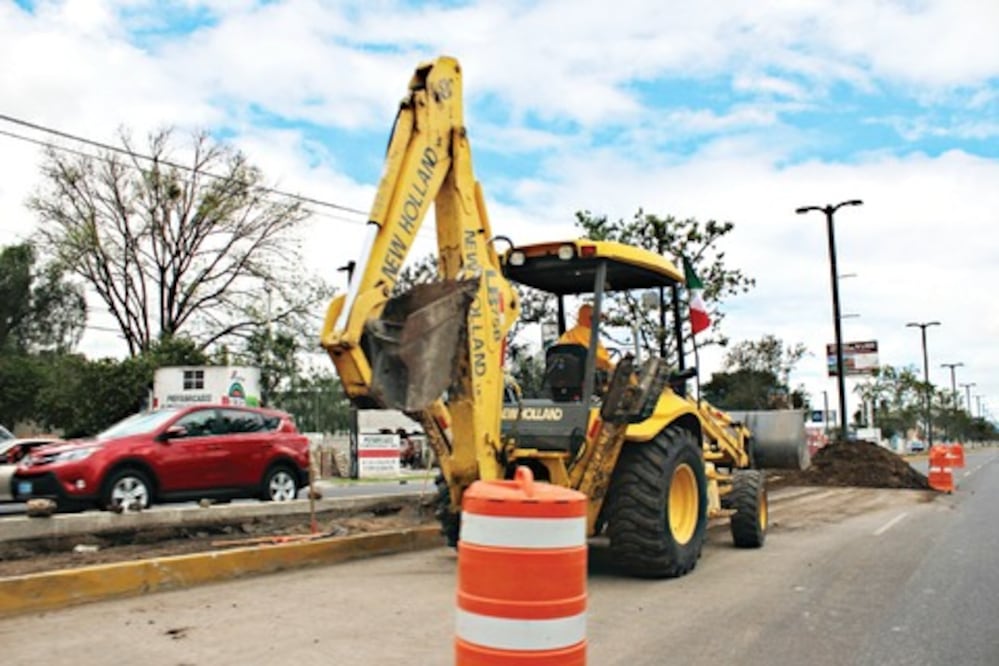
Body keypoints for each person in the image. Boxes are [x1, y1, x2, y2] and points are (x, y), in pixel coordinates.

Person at [557, 303, 612, 372]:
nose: (598, 323)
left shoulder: (567, 334)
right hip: (586, 377)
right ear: (590, 319)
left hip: (565, 375)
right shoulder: (589, 335)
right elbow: (602, 359)